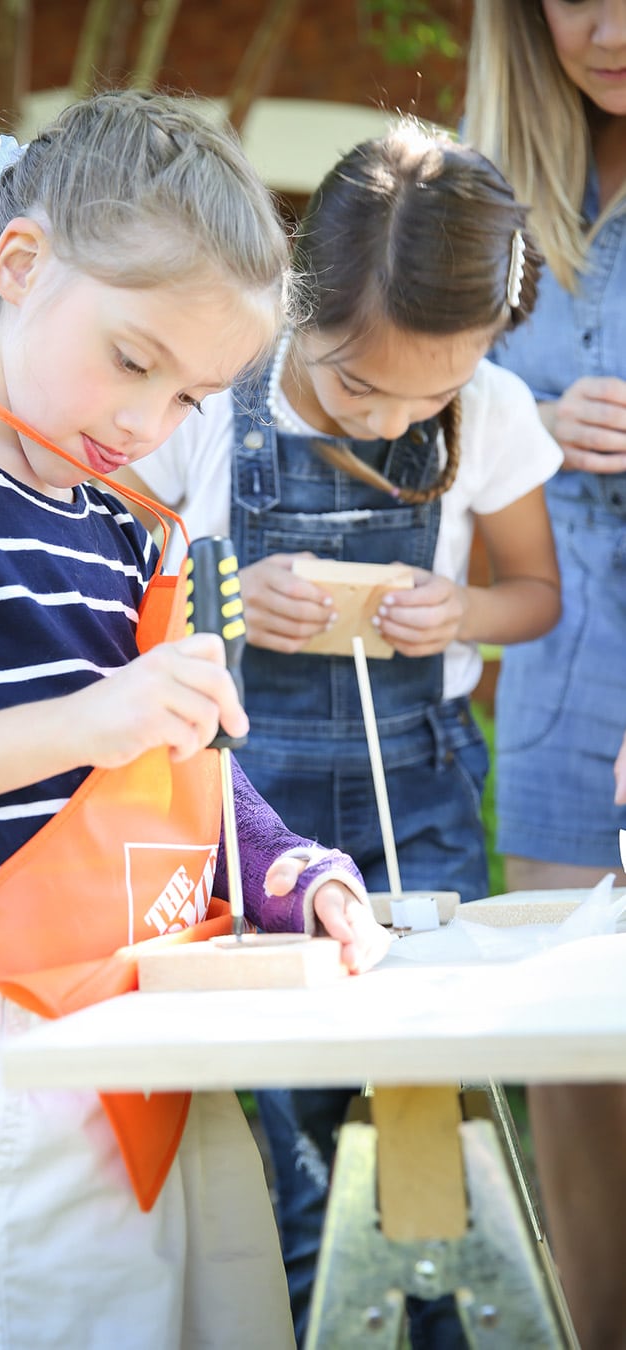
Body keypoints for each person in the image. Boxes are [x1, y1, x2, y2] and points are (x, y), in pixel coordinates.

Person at [0, 91, 393, 1350]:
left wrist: (283, 872)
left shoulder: (119, 522)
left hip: (159, 1036)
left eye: (194, 398)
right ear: (23, 264)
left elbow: (178, 758)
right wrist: (88, 719)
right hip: (1, 1057)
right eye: (136, 361)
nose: (151, 425)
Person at [117, 117, 563, 1347]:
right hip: (252, 817)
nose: (386, 418)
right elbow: (133, 604)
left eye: (432, 392)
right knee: (295, 1136)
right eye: (357, 382)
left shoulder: (499, 414)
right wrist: (233, 604)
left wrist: (463, 608)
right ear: (297, 306)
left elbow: (536, 593)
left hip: (418, 801)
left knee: (439, 1111)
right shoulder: (217, 402)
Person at [465, 7, 626, 1347]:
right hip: (563, 690)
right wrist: (530, 425)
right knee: (576, 1073)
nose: (607, 27)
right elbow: (402, 424)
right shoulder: (488, 206)